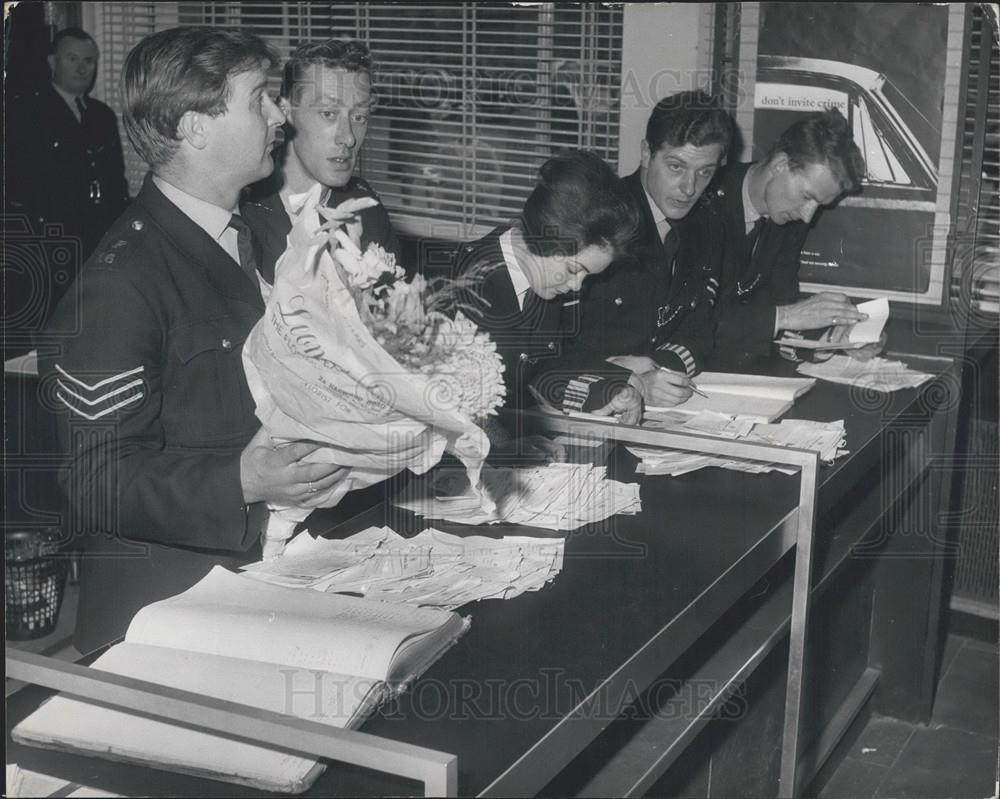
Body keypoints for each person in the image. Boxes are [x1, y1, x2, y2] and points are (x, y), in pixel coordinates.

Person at [38, 27, 348, 653]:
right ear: (194, 127)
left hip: (262, 579)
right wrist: (239, 482)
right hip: (164, 616)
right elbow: (93, 479)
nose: (279, 113)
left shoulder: (253, 238)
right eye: (260, 97)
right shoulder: (122, 280)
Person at [557, 91, 733, 409]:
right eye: (676, 167)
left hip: (655, 403)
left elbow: (700, 328)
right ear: (646, 154)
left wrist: (658, 369)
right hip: (585, 404)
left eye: (705, 172)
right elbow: (548, 346)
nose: (690, 188)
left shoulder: (708, 225)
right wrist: (620, 380)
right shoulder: (597, 218)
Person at [454, 150, 644, 435]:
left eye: (586, 275)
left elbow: (545, 365)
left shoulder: (542, 281)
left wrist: (610, 390)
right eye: (572, 269)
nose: (577, 285)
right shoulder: (468, 284)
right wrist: (514, 449)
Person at [712, 109, 878, 364]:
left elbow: (780, 303)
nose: (808, 217)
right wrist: (786, 317)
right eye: (807, 196)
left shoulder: (789, 217)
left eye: (819, 205)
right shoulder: (705, 202)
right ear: (780, 165)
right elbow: (698, 322)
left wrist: (831, 336)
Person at [242, 39, 401, 284]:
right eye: (328, 113)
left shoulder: (366, 209)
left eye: (359, 117)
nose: (348, 138)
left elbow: (392, 314)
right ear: (285, 111)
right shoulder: (241, 208)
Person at [5, 27, 130, 315]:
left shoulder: (102, 116)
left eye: (89, 60)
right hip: (50, 243)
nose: (82, 67)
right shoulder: (25, 113)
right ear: (52, 62)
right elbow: (19, 186)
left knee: (94, 317)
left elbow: (115, 182)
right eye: (72, 59)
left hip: (97, 240)